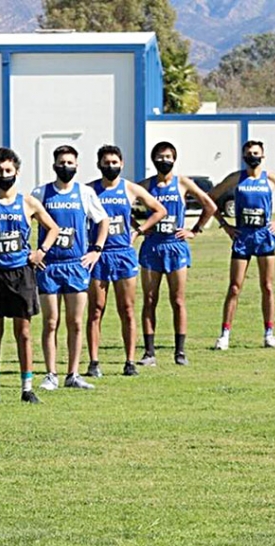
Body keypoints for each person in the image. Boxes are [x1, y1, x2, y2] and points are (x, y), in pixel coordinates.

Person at [0, 147, 59, 405]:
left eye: (8, 170)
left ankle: (27, 387)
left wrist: (41, 252)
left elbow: (52, 228)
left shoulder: (28, 202)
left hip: (22, 274)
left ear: (16, 172)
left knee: (24, 333)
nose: (3, 175)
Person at [208, 140, 275, 350]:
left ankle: (269, 334)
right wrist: (225, 225)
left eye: (256, 153)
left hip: (264, 236)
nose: (253, 157)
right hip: (242, 237)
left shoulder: (270, 179)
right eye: (249, 153)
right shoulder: (236, 178)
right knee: (234, 287)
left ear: (263, 156)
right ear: (243, 157)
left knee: (267, 286)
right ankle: (224, 335)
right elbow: (211, 198)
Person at [31, 145, 109, 391]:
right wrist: (32, 253)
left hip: (76, 266)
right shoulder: (41, 192)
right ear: (54, 165)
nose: (66, 166)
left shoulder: (85, 193)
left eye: (70, 162)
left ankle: (73, 374)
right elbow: (24, 219)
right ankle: (50, 374)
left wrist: (96, 250)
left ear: (77, 165)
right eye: (61, 162)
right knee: (50, 321)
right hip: (49, 266)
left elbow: (103, 220)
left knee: (75, 322)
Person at [86, 145, 166, 377]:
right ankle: (93, 362)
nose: (110, 166)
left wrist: (138, 230)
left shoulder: (130, 188)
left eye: (114, 162)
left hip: (123, 254)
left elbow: (159, 210)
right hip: (98, 255)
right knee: (96, 309)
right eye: (106, 162)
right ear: (99, 164)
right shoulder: (89, 190)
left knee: (127, 309)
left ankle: (129, 361)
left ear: (121, 164)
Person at [137, 141, 217, 367]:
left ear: (175, 158)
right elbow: (123, 205)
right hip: (152, 247)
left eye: (168, 156)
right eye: (160, 157)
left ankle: (180, 352)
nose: (164, 161)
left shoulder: (182, 183)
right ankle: (149, 353)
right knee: (150, 300)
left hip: (176, 246)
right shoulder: (145, 185)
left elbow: (210, 205)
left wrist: (195, 230)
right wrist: (138, 227)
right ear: (153, 160)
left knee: (178, 300)